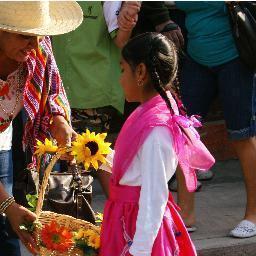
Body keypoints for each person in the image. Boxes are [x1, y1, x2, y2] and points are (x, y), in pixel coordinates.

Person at [99, 32, 215, 256]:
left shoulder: (156, 128)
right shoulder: (149, 112)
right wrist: (96, 155)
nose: (120, 78)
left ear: (140, 71)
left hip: (138, 229)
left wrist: (139, 250)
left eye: (123, 69)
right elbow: (134, 167)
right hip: (127, 219)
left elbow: (154, 194)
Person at [0, 1, 83, 255]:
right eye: (25, 36)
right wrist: (9, 206)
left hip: (4, 143)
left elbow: (52, 89)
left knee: (6, 234)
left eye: (39, 36)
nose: (35, 46)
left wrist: (58, 120)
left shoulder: (36, 48)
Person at [171, 1, 256, 238]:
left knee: (242, 135)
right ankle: (186, 215)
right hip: (197, 58)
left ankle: (254, 214)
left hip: (236, 57)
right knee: (184, 133)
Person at [52, 1, 140, 197]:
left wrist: (127, 21)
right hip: (55, 91)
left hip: (93, 90)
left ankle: (126, 213)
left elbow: (122, 41)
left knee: (87, 159)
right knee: (76, 165)